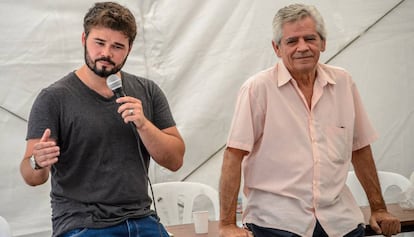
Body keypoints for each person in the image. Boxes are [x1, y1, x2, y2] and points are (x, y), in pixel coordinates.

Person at [219, 3, 400, 237]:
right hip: (276, 224)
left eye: (310, 39)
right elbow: (233, 155)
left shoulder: (343, 82)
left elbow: (360, 148)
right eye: (292, 41)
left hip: (340, 222)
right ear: (277, 48)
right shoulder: (257, 89)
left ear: (323, 43)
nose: (302, 48)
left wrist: (379, 208)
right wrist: (226, 224)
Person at [20, 2, 185, 237]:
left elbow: (175, 160)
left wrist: (144, 125)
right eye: (99, 43)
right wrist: (37, 161)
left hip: (142, 219)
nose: (106, 53)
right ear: (84, 39)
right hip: (83, 225)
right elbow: (30, 175)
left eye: (117, 46)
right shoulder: (53, 98)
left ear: (129, 49)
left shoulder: (147, 91)